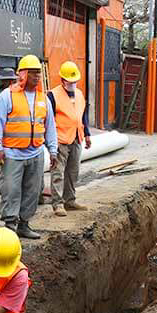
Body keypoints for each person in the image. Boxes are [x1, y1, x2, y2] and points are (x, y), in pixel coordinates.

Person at [0, 54, 57, 239]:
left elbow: (50, 126)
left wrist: (53, 150)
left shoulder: (43, 99)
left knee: (32, 190)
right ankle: (10, 226)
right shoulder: (7, 96)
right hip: (12, 153)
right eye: (33, 73)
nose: (37, 77)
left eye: (38, 73)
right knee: (11, 190)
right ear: (23, 74)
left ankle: (24, 224)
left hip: (35, 153)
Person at [47, 61, 91, 217]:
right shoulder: (52, 95)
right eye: (70, 81)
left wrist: (87, 134)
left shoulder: (79, 94)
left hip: (76, 138)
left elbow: (82, 115)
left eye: (75, 81)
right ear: (62, 80)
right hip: (60, 139)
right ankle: (58, 204)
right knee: (58, 173)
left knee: (73, 172)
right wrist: (51, 142)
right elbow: (49, 120)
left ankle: (69, 200)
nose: (73, 84)